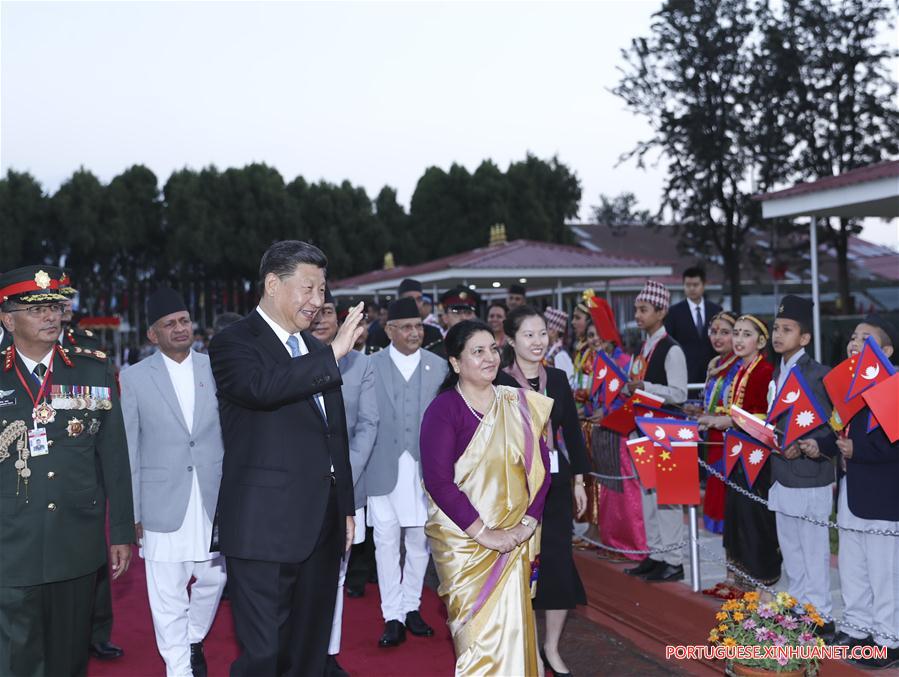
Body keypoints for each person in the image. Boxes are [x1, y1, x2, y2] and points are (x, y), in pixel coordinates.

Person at [208, 240, 364, 676]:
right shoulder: (232, 343)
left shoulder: (316, 352)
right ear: (273, 284)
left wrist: (346, 507)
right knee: (264, 655)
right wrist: (333, 353)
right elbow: (263, 389)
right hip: (264, 528)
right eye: (309, 289)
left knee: (310, 651)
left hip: (322, 524)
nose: (318, 302)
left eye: (323, 291)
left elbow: (336, 436)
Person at [0, 265, 134, 677]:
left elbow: (114, 456)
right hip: (10, 542)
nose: (51, 317)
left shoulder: (92, 369)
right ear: (8, 318)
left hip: (76, 541)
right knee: (15, 658)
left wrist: (123, 532)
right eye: (36, 310)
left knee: (69, 658)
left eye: (55, 307)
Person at [420, 320, 551, 675]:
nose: (490, 357)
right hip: (464, 545)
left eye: (492, 349)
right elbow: (438, 481)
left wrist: (527, 523)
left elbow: (542, 468)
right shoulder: (444, 411)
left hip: (514, 539)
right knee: (478, 645)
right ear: (455, 363)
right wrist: (485, 534)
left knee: (515, 634)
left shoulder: (517, 402)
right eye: (478, 351)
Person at [120, 287, 227, 677]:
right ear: (153, 335)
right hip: (161, 501)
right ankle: (179, 669)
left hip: (212, 498)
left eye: (184, 320)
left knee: (215, 577)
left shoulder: (216, 367)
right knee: (167, 595)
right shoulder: (134, 378)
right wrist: (132, 511)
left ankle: (192, 637)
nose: (180, 328)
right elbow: (130, 448)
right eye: (170, 324)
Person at [496, 306, 589, 677]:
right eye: (529, 335)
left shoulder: (560, 378)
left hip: (557, 486)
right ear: (511, 340)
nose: (537, 342)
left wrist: (581, 481)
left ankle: (550, 647)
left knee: (557, 565)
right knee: (522, 569)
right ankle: (528, 647)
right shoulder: (500, 383)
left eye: (542, 334)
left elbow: (574, 434)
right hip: (519, 490)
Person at [364, 297, 448, 648]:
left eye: (418, 326)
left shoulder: (440, 367)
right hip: (382, 467)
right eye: (407, 327)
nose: (415, 333)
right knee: (385, 541)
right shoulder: (371, 365)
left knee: (419, 541)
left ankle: (412, 607)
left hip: (425, 469)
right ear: (389, 331)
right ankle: (392, 615)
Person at [55, 270, 123, 661]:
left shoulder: (88, 347)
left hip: (85, 461)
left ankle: (97, 629)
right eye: (55, 299)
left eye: (66, 299)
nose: (63, 306)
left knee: (91, 550)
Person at [311, 289, 379, 676]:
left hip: (346, 485)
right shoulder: (292, 361)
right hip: (300, 486)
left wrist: (343, 469)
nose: (320, 319)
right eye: (313, 313)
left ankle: (328, 653)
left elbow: (369, 424)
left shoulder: (360, 366)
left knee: (336, 575)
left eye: (327, 313)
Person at [825, 317, 899, 669]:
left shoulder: (895, 386)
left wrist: (859, 450)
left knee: (885, 570)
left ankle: (889, 639)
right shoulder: (848, 387)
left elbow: (894, 445)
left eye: (866, 339)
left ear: (886, 351)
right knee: (853, 565)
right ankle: (857, 630)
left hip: (884, 494)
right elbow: (837, 432)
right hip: (851, 489)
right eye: (853, 337)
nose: (855, 342)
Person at [766, 295, 836, 639]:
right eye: (776, 328)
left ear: (805, 338)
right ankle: (797, 606)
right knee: (791, 548)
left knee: (813, 550)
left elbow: (832, 428)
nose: (778, 335)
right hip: (781, 474)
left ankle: (820, 614)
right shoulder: (774, 374)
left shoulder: (820, 375)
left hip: (811, 477)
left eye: (787, 329)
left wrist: (807, 446)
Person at [698, 315, 781, 592]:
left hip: (755, 457)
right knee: (734, 515)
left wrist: (728, 421)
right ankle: (739, 578)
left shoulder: (764, 371)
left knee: (752, 518)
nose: (738, 340)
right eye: (736, 333)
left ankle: (759, 580)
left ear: (760, 341)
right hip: (736, 453)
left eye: (746, 334)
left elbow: (766, 416)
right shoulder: (739, 371)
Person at [622, 280, 688, 583]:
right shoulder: (643, 347)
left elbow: (679, 393)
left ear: (661, 313)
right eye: (637, 309)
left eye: (643, 309)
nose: (638, 315)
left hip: (666, 430)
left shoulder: (672, 349)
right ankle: (657, 552)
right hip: (644, 428)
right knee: (649, 494)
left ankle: (674, 559)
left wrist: (645, 387)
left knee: (667, 499)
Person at [586, 299, 648, 563]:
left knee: (626, 491)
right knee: (608, 490)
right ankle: (613, 541)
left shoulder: (625, 361)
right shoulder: (595, 362)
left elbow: (632, 397)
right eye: (590, 336)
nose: (594, 340)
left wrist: (608, 415)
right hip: (603, 433)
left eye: (598, 335)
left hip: (622, 434)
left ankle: (633, 545)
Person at [691, 311, 740, 537]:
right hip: (714, 441)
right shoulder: (716, 364)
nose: (717, 337)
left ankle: (735, 571)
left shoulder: (741, 366)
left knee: (732, 507)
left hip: (732, 443)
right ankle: (730, 571)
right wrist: (700, 411)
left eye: (725, 332)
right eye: (714, 332)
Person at [664, 267, 723, 386]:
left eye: (695, 284)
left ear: (704, 284)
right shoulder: (673, 312)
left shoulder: (716, 310)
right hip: (685, 374)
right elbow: (669, 342)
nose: (691, 288)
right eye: (688, 285)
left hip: (713, 372)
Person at [367, 279, 446, 358]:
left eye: (419, 299)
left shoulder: (433, 333)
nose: (415, 303)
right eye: (410, 299)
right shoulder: (379, 336)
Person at [543, 307, 574, 383]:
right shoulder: (547, 349)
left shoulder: (560, 355)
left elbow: (568, 381)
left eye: (543, 328)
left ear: (553, 331)